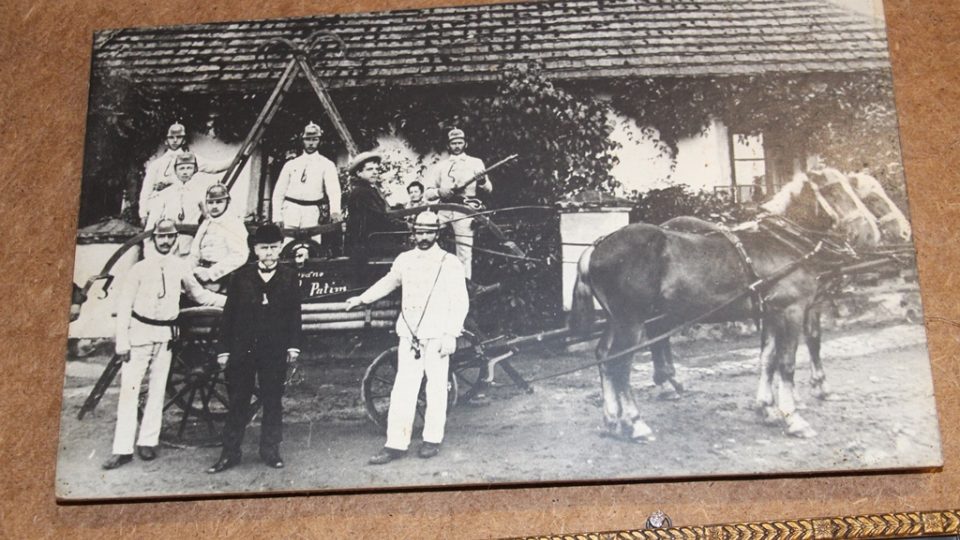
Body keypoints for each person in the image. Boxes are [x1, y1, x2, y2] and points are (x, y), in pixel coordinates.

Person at [344, 211, 469, 463]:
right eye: (419, 232)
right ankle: (396, 444)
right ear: (413, 233)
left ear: (437, 233)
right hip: (410, 334)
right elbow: (389, 282)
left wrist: (451, 334)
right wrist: (362, 299)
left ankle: (432, 440)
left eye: (428, 232)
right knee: (403, 389)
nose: (423, 237)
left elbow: (460, 301)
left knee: (435, 388)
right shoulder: (404, 260)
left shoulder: (450, 262)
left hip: (437, 335)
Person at [102, 219, 226, 470]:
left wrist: (231, 302)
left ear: (175, 239)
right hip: (138, 335)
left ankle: (147, 442)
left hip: (166, 337)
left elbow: (199, 295)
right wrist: (122, 342)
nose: (166, 241)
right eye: (161, 237)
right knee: (130, 391)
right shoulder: (138, 270)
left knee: (158, 390)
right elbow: (125, 306)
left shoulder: (180, 267)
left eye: (170, 237)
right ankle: (122, 449)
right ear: (153, 239)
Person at [207, 224, 303, 474]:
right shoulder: (240, 276)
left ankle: (270, 450)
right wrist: (224, 349)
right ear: (254, 249)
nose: (269, 253)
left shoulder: (289, 276)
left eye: (273, 248)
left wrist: (293, 345)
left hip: (274, 348)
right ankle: (230, 453)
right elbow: (229, 315)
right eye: (264, 248)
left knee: (272, 400)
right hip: (244, 348)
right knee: (238, 400)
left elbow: (294, 314)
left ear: (281, 248)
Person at [424, 128, 492, 281]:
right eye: (453, 143)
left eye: (460, 142)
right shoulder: (440, 166)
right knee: (427, 237)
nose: (456, 146)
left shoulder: (475, 162)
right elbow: (427, 193)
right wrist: (439, 192)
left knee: (464, 249)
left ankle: (464, 284)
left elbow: (489, 189)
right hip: (444, 210)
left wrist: (482, 181)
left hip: (465, 209)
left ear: (465, 144)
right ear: (448, 145)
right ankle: (432, 279)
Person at [139, 122, 230, 223]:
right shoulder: (157, 164)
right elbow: (146, 189)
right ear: (166, 140)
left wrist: (236, 159)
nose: (174, 140)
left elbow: (214, 167)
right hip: (162, 206)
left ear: (184, 140)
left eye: (178, 137)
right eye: (171, 137)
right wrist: (143, 213)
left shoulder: (190, 159)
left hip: (186, 204)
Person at [271, 122, 342, 243]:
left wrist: (335, 211)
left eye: (315, 139)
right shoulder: (291, 164)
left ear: (319, 141)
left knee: (312, 246)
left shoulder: (326, 164)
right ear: (302, 140)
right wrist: (277, 216)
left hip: (312, 212)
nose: (311, 143)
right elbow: (279, 192)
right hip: (290, 211)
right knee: (288, 245)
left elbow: (334, 190)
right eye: (307, 139)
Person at [344, 151, 405, 276]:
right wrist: (405, 225)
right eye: (370, 169)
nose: (375, 172)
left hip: (371, 240)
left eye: (376, 169)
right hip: (367, 244)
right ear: (359, 173)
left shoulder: (369, 190)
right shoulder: (362, 192)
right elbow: (379, 219)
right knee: (408, 252)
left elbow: (380, 214)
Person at [144, 152, 207, 257]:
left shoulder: (200, 192)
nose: (185, 172)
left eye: (189, 168)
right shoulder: (165, 193)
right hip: (168, 245)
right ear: (175, 170)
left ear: (194, 170)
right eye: (181, 168)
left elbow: (209, 218)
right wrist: (149, 250)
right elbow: (152, 222)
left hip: (189, 246)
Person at [189, 183, 249, 292]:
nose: (214, 206)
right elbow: (195, 252)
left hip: (221, 279)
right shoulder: (207, 222)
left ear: (228, 202)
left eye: (219, 202)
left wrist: (211, 273)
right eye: (210, 202)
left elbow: (239, 255)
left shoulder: (233, 224)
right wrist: (189, 271)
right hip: (200, 274)